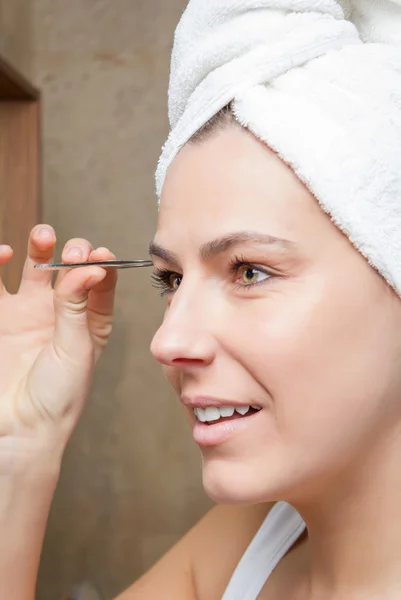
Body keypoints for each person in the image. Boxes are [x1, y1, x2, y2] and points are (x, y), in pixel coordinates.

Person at [2, 1, 401, 599]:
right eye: (171, 279)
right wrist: (23, 446)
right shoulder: (250, 543)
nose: (168, 342)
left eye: (249, 271)